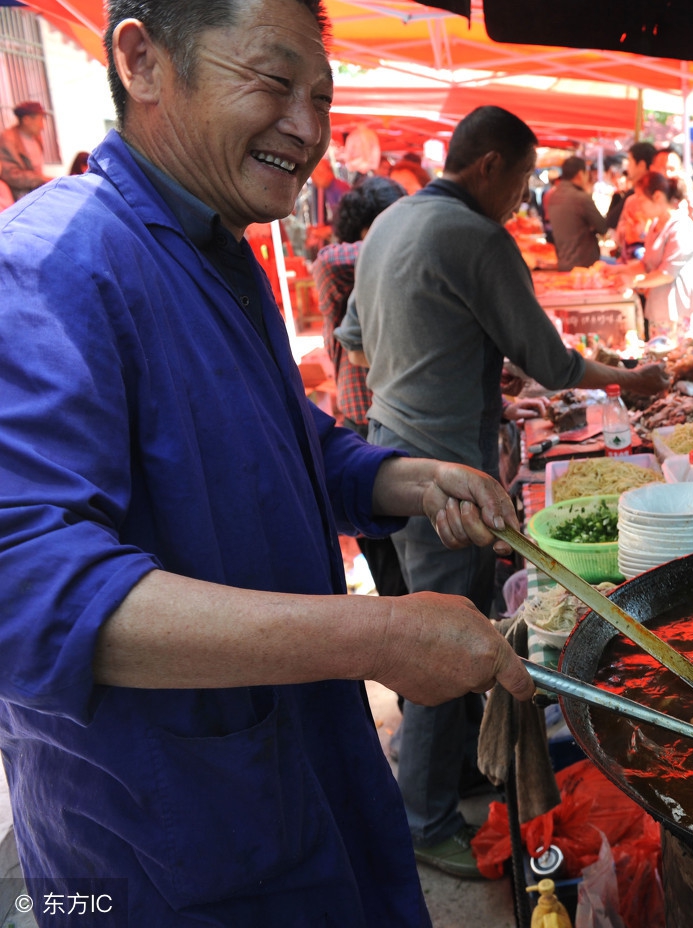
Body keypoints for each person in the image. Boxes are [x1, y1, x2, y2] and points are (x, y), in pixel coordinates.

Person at [0, 2, 536, 925]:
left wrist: (400, 479)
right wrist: (376, 637)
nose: (307, 129)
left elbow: (290, 444)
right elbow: (25, 586)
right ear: (143, 60)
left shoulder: (220, 253)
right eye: (273, 83)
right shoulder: (52, 263)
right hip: (153, 845)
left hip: (297, 770)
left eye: (320, 97)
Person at [351, 105, 669, 879]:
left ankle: (451, 772)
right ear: (491, 165)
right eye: (524, 177)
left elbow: (355, 340)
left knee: (446, 623)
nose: (523, 196)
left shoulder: (391, 223)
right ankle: (424, 820)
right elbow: (552, 365)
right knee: (440, 636)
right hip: (444, 477)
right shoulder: (475, 237)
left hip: (387, 454)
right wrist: (636, 380)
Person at [314, 177, 410, 598]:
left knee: (414, 555)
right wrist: (410, 231)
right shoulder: (337, 267)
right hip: (360, 426)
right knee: (387, 560)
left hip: (402, 417)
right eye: (393, 224)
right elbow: (330, 259)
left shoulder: (402, 270)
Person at [631, 170, 693, 340]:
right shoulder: (654, 225)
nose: (638, 205)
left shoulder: (680, 225)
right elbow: (647, 264)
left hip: (682, 308)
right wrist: (617, 271)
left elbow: (667, 273)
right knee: (660, 359)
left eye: (641, 199)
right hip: (660, 308)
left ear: (658, 196)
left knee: (682, 362)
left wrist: (633, 281)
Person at [543, 155, 609, 270]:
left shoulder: (553, 196)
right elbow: (602, 227)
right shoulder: (581, 198)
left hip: (563, 261)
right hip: (583, 265)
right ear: (580, 174)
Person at [607, 140, 657, 258]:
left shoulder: (658, 197)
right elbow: (614, 224)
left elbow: (611, 222)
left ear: (641, 165)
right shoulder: (632, 197)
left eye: (629, 161)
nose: (627, 167)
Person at [0, 100, 51, 199]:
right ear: (26, 120)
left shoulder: (36, 137)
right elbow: (10, 175)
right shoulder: (7, 140)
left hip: (36, 191)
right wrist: (42, 179)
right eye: (40, 120)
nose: (42, 126)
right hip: (19, 197)